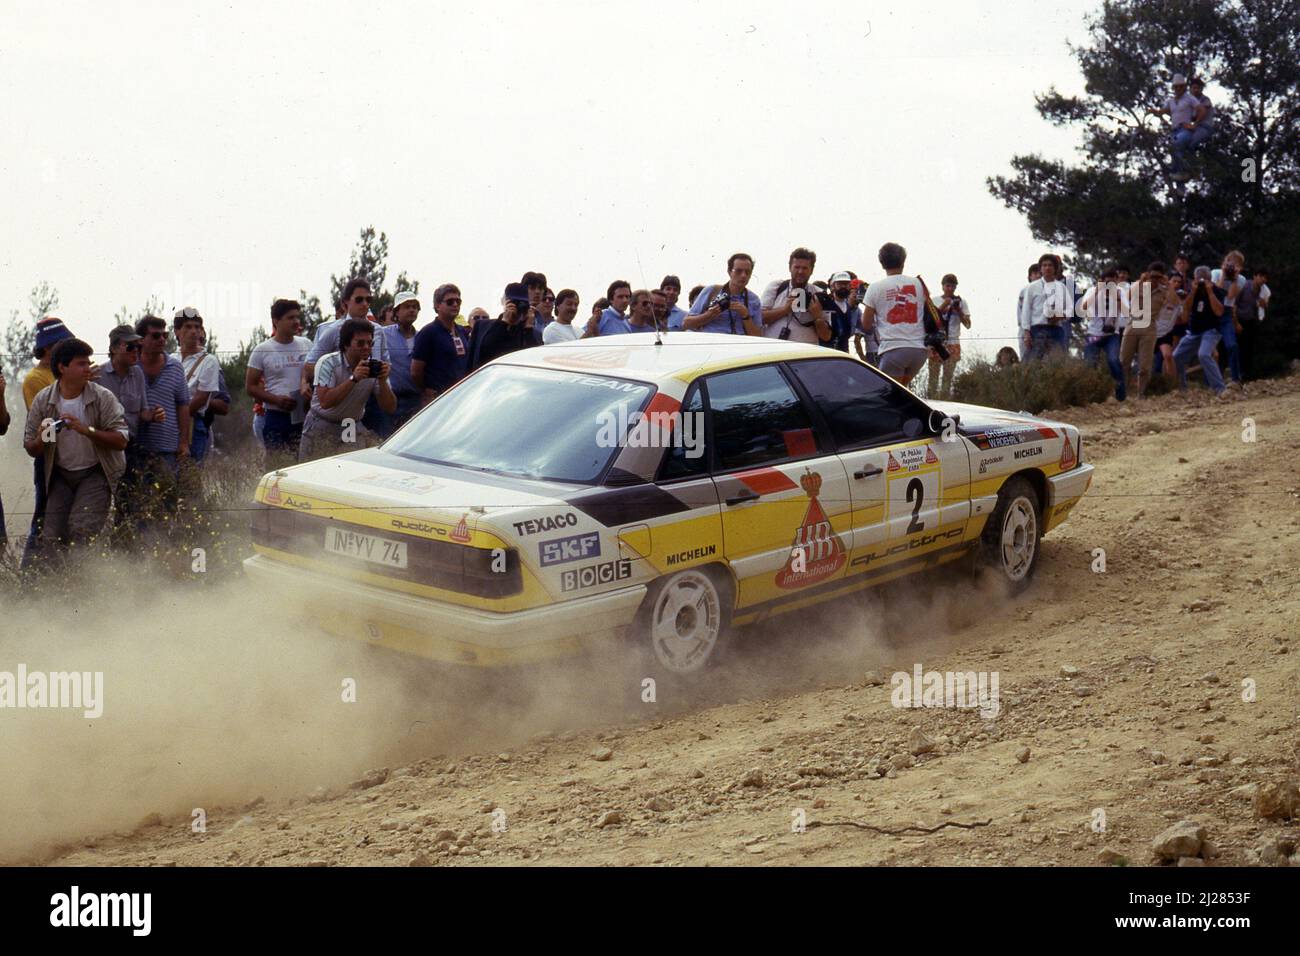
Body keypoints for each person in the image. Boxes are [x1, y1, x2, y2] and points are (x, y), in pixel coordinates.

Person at [22, 338, 128, 565]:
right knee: (51, 537)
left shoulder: (102, 397)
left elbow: (121, 440)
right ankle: (56, 591)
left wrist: (86, 429)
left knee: (82, 531)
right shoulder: (44, 400)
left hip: (95, 472)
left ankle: (82, 586)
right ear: (62, 367)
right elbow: (31, 447)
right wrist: (45, 436)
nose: (87, 368)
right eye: (81, 364)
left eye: (88, 363)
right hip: (60, 474)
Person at [19, 317, 75, 568]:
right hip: (48, 456)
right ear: (49, 347)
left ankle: (57, 570)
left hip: (74, 454)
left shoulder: (65, 372)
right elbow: (43, 420)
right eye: (62, 343)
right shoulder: (34, 379)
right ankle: (29, 571)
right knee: (43, 515)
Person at [299, 319, 395, 461]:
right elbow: (325, 401)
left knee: (348, 470)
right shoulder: (328, 363)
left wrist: (382, 381)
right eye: (360, 343)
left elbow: (390, 407)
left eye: (370, 343)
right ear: (346, 345)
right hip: (322, 423)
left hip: (350, 424)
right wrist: (353, 379)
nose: (366, 348)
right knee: (312, 471)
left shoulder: (374, 368)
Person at [133, 314, 191, 516]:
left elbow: (184, 405)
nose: (162, 340)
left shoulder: (174, 367)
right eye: (156, 336)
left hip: (167, 447)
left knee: (166, 502)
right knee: (134, 502)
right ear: (141, 339)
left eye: (165, 335)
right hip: (134, 446)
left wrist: (183, 442)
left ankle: (167, 544)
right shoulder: (131, 367)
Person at [247, 299, 311, 455]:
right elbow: (250, 386)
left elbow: (315, 372)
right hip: (276, 416)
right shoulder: (262, 350)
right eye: (290, 318)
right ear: (276, 321)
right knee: (276, 466)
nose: (296, 322)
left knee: (303, 464)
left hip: (304, 416)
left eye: (297, 317)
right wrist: (276, 400)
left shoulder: (307, 344)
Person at [860, 242, 930, 385]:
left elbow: (866, 324)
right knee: (903, 391)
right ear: (903, 261)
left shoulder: (875, 287)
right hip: (920, 349)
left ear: (882, 263)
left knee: (889, 394)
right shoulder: (918, 283)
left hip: (893, 348)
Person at [410, 284, 472, 404]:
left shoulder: (462, 331)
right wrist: (426, 389)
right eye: (450, 302)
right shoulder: (428, 332)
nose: (455, 304)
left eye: (458, 301)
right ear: (438, 305)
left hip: (461, 396)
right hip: (439, 399)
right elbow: (415, 372)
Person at [175, 307, 221, 463]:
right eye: (188, 327)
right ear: (177, 331)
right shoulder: (171, 359)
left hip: (193, 423)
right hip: (168, 423)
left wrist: (175, 415)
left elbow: (201, 398)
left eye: (197, 327)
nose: (194, 331)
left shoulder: (208, 360)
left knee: (190, 474)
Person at [1173, 266, 1227, 397]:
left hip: (1212, 330)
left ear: (1210, 280)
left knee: (1203, 354)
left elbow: (1219, 311)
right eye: (1199, 280)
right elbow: (1186, 308)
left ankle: (1220, 388)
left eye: (1205, 280)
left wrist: (1210, 292)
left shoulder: (1217, 291)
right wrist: (1193, 291)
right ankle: (1182, 388)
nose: (1202, 283)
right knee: (1177, 356)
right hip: (1194, 331)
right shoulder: (1193, 291)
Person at [760, 247, 831, 345]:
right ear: (790, 268)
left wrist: (817, 317)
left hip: (803, 355)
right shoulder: (776, 287)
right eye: (797, 267)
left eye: (805, 268)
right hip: (774, 350)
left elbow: (826, 336)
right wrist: (785, 310)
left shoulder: (819, 294)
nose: (800, 271)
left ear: (812, 270)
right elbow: (759, 318)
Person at [1119, 262, 1169, 399]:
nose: (1154, 279)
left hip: (1149, 326)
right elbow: (1126, 297)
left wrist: (1168, 285)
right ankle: (1121, 393)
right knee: (1124, 361)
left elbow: (1173, 302)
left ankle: (1141, 394)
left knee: (1145, 365)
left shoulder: (1164, 291)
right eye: (1152, 276)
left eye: (1158, 277)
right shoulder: (1137, 286)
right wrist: (1141, 282)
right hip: (1133, 324)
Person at [378, 290, 425, 432]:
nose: (412, 310)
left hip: (416, 400)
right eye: (407, 306)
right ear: (396, 312)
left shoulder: (422, 337)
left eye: (415, 307)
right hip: (392, 400)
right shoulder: (383, 334)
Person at [683, 253, 763, 336]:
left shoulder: (754, 300)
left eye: (747, 272)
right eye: (738, 271)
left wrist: (745, 315)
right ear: (729, 272)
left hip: (739, 346)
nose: (743, 275)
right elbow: (686, 324)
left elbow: (758, 336)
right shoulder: (712, 291)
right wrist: (710, 314)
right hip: (712, 344)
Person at [1080, 268, 1127, 401]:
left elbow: (1127, 313)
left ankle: (1121, 396)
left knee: (1113, 360)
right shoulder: (1092, 291)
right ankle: (1091, 396)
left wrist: (1117, 299)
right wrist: (1097, 290)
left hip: (1112, 335)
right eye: (1107, 283)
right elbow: (1083, 308)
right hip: (1094, 334)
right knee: (1089, 364)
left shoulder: (1120, 292)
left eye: (1113, 283)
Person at [469, 282, 537, 369]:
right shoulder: (482, 326)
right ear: (504, 302)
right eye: (514, 303)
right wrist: (504, 322)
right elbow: (486, 351)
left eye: (522, 304)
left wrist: (529, 328)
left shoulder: (529, 332)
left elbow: (532, 358)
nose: (518, 307)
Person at [926, 274, 971, 399]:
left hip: (953, 342)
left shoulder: (961, 302)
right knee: (933, 378)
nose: (950, 289)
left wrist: (959, 311)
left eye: (953, 286)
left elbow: (968, 324)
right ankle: (931, 403)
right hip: (936, 342)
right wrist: (944, 305)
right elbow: (930, 322)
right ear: (942, 286)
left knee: (948, 379)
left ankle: (946, 403)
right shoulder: (934, 300)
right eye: (948, 286)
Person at [1019, 254, 1071, 359]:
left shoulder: (1061, 287)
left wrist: (1061, 316)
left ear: (1055, 268)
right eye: (1044, 265)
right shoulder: (1032, 287)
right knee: (1033, 361)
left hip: (1056, 328)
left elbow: (1070, 309)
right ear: (1041, 269)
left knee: (1058, 361)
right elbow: (1026, 311)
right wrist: (1026, 332)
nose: (1047, 268)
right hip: (1037, 328)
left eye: (1050, 265)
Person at [1210, 251, 1247, 389]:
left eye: (1235, 264)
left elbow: (1230, 297)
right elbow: (1216, 292)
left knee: (1232, 345)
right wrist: (1224, 275)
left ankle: (1236, 379)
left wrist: (1234, 278)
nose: (1231, 266)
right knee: (1209, 350)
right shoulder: (1215, 273)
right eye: (1229, 262)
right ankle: (1211, 382)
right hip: (1212, 312)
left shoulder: (1241, 279)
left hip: (1226, 313)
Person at [1162, 73, 1210, 181]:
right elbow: (1166, 111)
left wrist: (1194, 124)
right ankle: (1180, 183)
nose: (1178, 88)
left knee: (1182, 144)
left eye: (1181, 86)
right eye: (1176, 86)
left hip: (1196, 128)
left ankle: (1190, 170)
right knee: (1176, 149)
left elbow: (1202, 110)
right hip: (1178, 129)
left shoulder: (1195, 99)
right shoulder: (1173, 100)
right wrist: (1155, 111)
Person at [1232, 266, 1269, 380]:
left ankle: (1247, 374)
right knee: (1238, 347)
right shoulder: (1244, 285)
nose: (1263, 280)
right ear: (1255, 276)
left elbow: (1265, 305)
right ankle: (1237, 374)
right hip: (1239, 319)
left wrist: (1263, 304)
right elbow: (1234, 304)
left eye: (1265, 278)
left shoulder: (1264, 290)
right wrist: (1236, 323)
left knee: (1249, 348)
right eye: (1261, 276)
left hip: (1251, 320)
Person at [824, 271, 861, 353]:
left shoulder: (851, 307)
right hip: (827, 350)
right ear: (833, 286)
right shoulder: (825, 303)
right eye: (840, 284)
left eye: (846, 284)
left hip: (843, 351)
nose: (843, 286)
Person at [1015, 263, 1042, 360]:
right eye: (1035, 273)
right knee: (1025, 355)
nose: (1038, 276)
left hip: (1039, 327)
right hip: (1025, 327)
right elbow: (1021, 310)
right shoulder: (1024, 290)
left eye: (1040, 273)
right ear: (1030, 276)